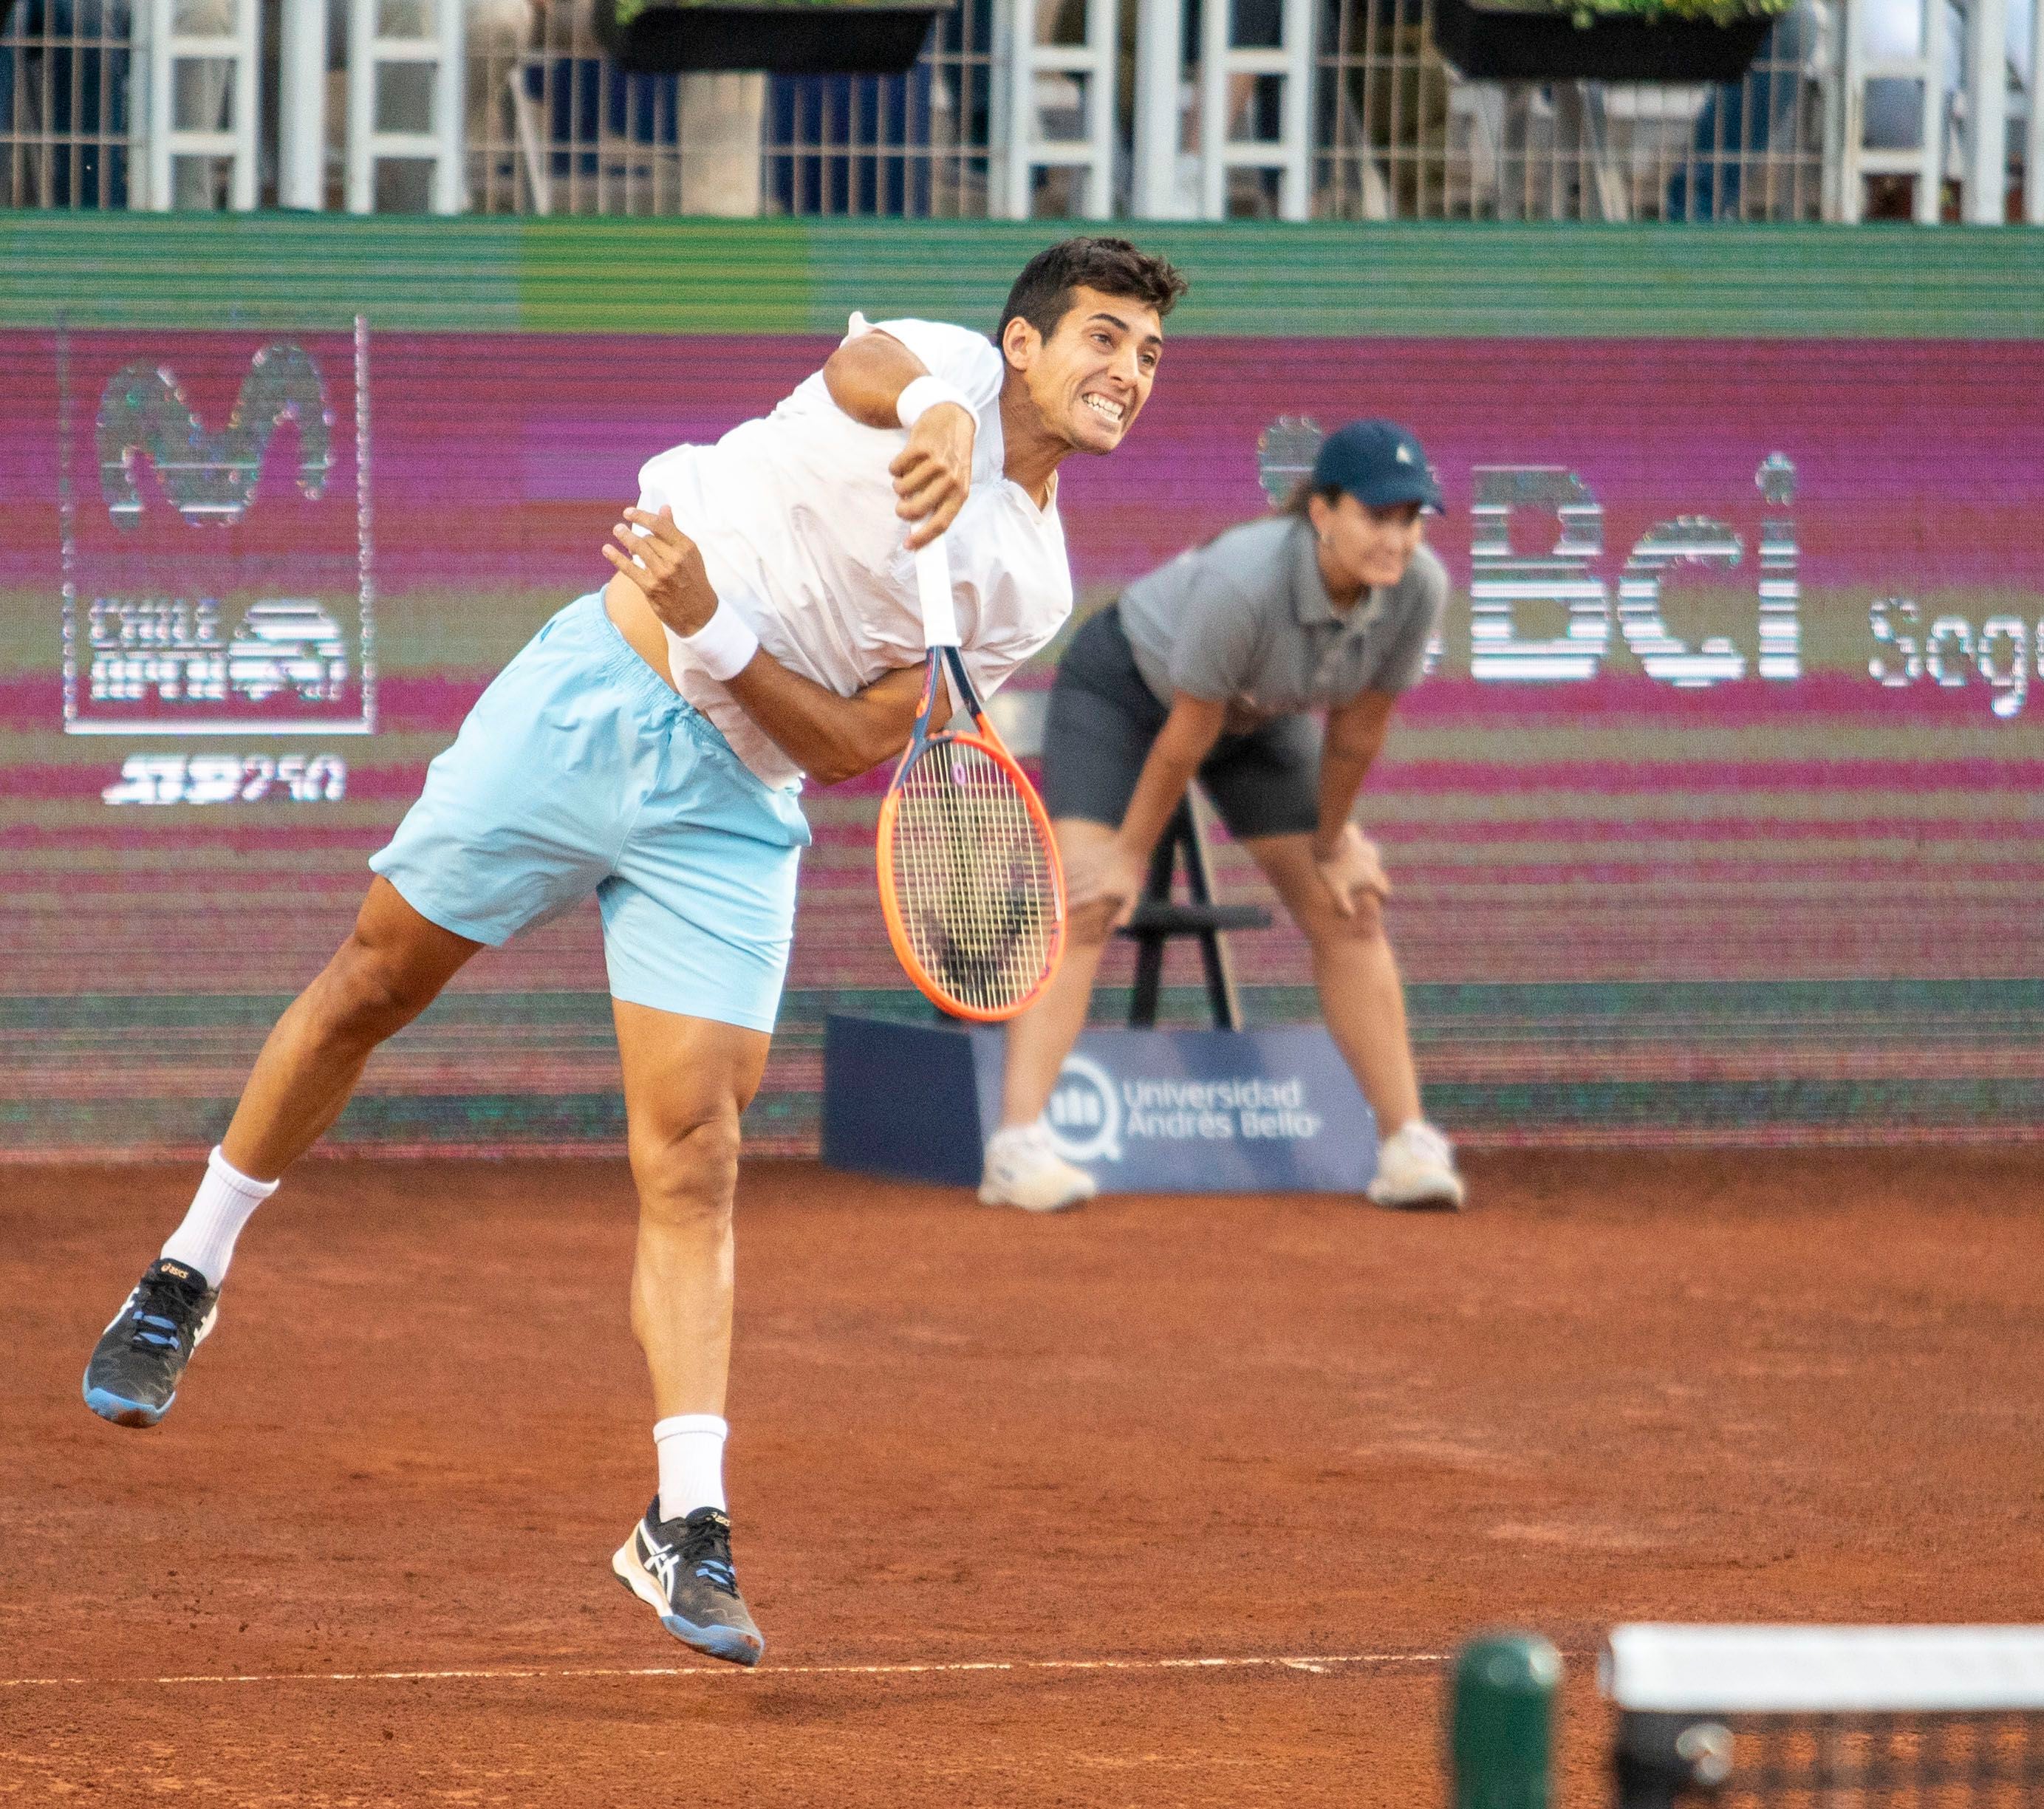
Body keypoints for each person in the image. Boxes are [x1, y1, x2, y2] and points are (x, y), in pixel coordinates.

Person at [77, 235, 1189, 1668]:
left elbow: (854, 741)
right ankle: (185, 1270)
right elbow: (873, 369)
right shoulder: (951, 370)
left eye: (1151, 356)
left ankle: (684, 1518)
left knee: (697, 1147)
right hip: (597, 695)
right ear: (1027, 346)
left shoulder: (1027, 581)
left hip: (734, 804)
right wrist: (941, 417)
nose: (1128, 373)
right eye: (1104, 338)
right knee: (372, 980)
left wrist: (720, 629)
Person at [978, 420, 1465, 1216]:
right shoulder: (1245, 580)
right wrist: (1126, 858)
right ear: (1321, 513)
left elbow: (1356, 732)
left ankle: (1406, 1143)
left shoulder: (1418, 589)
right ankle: (1015, 1145)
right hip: (1128, 696)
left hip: (1255, 717)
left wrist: (1334, 841)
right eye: (1377, 516)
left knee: (1350, 903)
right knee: (1088, 899)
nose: (1397, 538)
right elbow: (1182, 740)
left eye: (1411, 519)